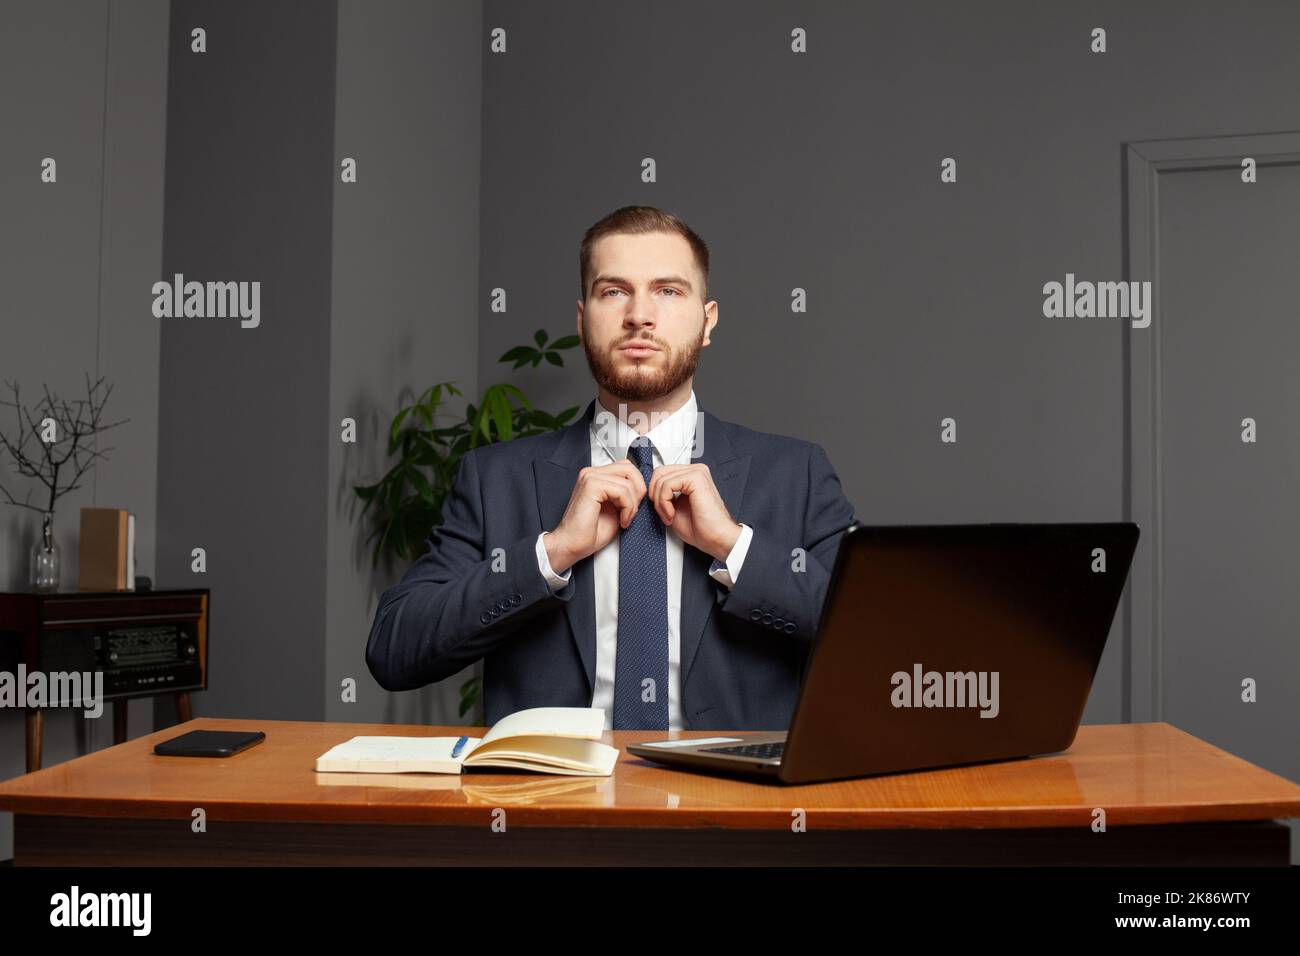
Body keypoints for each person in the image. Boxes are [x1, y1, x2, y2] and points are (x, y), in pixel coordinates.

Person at [366, 205, 857, 731]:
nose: (639, 316)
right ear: (582, 321)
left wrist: (735, 546)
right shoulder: (494, 480)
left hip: (730, 804)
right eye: (614, 291)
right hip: (554, 804)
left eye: (668, 291)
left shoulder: (795, 474)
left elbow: (872, 641)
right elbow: (395, 650)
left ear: (707, 320)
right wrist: (551, 554)